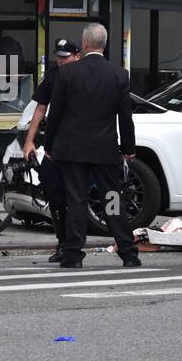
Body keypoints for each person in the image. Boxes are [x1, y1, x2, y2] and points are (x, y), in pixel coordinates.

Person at [44, 23, 141, 269]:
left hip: (72, 149)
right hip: (104, 149)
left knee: (76, 200)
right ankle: (128, 253)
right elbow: (125, 116)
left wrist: (49, 143)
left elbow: (55, 113)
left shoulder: (68, 73)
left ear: (84, 44)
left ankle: (73, 255)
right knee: (112, 198)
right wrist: (128, 148)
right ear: (104, 45)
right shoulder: (119, 74)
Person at [23, 38, 81, 262]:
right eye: (59, 57)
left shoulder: (83, 75)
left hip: (79, 145)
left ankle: (74, 246)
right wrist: (30, 140)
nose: (61, 61)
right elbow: (40, 107)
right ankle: (63, 243)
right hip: (55, 145)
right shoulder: (54, 75)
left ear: (77, 55)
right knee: (53, 191)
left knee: (75, 196)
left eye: (66, 57)